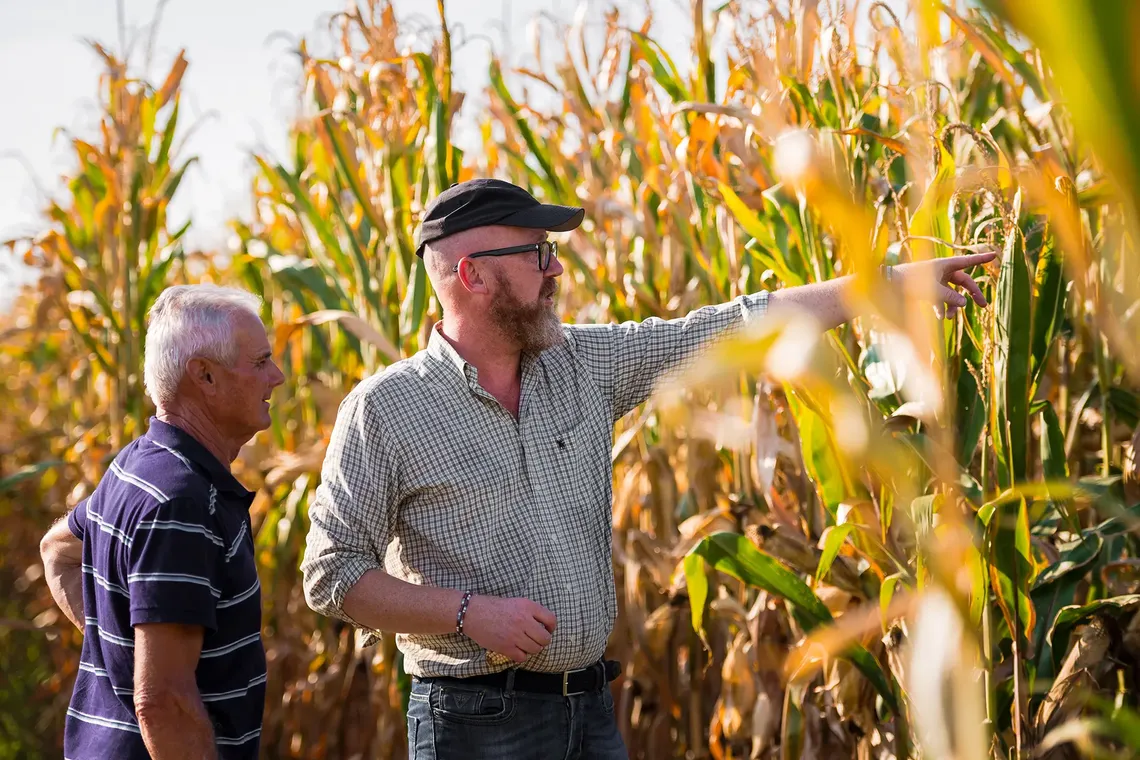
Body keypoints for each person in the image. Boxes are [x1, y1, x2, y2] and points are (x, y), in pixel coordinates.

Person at [300, 178, 994, 759]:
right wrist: (467, 613)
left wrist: (888, 286)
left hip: (591, 711)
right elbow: (331, 573)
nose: (556, 270)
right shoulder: (385, 411)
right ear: (472, 274)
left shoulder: (582, 365)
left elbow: (730, 325)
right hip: (476, 725)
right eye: (538, 252)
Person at [40, 284, 285, 760]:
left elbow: (57, 550)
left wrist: (122, 652)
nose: (276, 376)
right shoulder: (181, 504)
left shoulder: (137, 463)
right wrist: (137, 666)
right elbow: (163, 702)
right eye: (260, 362)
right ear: (205, 375)